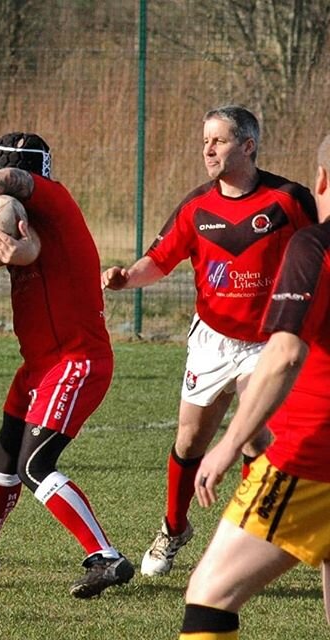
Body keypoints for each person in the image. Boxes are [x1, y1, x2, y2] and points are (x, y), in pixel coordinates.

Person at [101, 105, 317, 577]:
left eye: (217, 141)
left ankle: (247, 538)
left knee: (254, 434)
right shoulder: (197, 206)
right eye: (205, 142)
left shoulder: (288, 200)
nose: (208, 150)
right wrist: (124, 278)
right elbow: (158, 260)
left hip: (265, 343)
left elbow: (320, 246)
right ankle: (174, 529)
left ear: (248, 146)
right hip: (212, 340)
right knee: (190, 438)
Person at [0, 132, 134, 598]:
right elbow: (3, 249)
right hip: (39, 365)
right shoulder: (24, 221)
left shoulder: (53, 199)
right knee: (3, 455)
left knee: (35, 465)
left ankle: (106, 557)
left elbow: (8, 181)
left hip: (75, 362)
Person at [178, 133, 330, 639]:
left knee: (209, 596)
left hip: (310, 460)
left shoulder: (315, 244)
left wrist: (228, 445)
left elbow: (285, 354)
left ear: (323, 180)